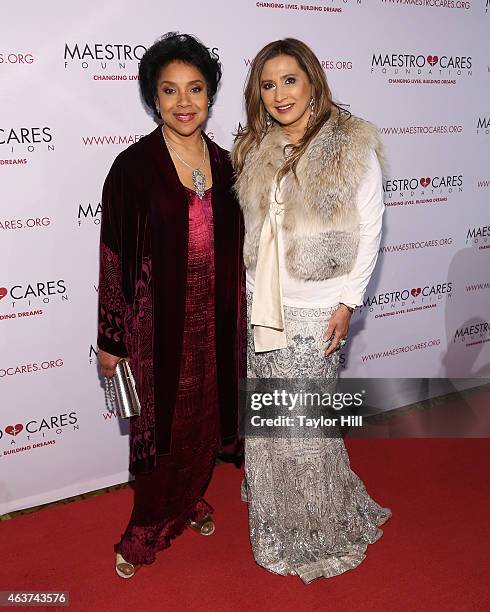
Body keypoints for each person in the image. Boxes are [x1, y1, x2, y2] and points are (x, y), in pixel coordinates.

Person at [232, 38, 392, 584]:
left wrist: (349, 302)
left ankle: (321, 528)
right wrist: (249, 298)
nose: (280, 94)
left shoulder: (351, 144)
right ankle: (277, 524)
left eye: (289, 80)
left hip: (318, 306)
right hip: (264, 306)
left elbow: (370, 229)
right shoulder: (257, 148)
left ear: (313, 80)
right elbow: (257, 232)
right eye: (268, 84)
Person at [97, 32, 244, 578]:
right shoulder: (132, 169)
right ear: (153, 99)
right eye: (170, 90)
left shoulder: (229, 165)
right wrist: (111, 340)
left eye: (196, 89)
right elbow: (113, 257)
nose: (184, 102)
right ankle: (145, 528)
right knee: (161, 431)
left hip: (218, 323)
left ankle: (188, 504)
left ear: (210, 97)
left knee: (206, 423)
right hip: (155, 328)